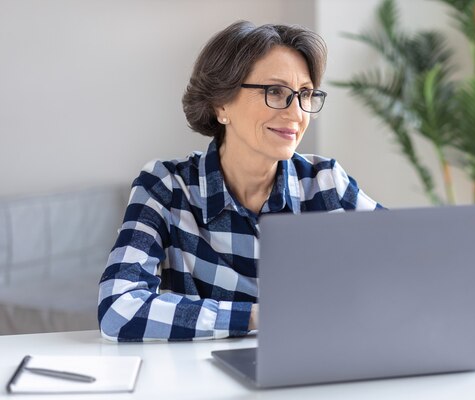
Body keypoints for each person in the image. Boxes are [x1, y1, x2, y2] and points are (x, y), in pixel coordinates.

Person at [97, 21, 383, 342]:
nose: (296, 113)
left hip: (315, 370)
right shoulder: (166, 187)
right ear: (222, 104)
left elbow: (411, 262)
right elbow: (118, 309)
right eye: (275, 91)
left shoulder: (326, 183)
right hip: (203, 381)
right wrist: (259, 316)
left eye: (304, 93)